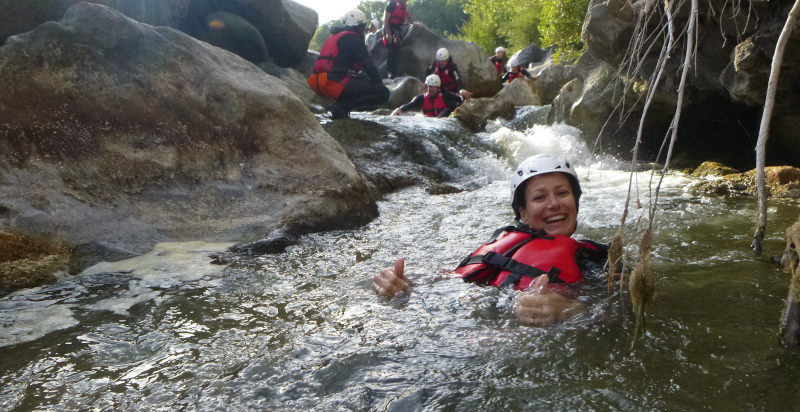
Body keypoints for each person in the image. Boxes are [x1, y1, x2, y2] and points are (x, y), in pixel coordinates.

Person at [372, 154, 609, 326]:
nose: (554, 204)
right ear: (523, 213)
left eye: (562, 193)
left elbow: (619, 314)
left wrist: (568, 310)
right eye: (539, 197)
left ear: (575, 203)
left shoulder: (598, 261)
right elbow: (448, 281)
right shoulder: (500, 250)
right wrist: (401, 285)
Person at [307, 9, 389, 119]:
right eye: (363, 25)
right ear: (358, 24)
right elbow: (368, 65)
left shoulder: (335, 36)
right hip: (332, 82)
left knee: (363, 78)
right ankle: (342, 106)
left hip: (316, 81)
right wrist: (379, 84)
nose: (364, 29)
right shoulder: (354, 38)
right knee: (383, 93)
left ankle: (340, 105)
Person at [391, 74, 463, 117]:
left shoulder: (445, 95)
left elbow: (460, 99)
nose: (431, 89)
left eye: (433, 87)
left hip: (442, 121)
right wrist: (400, 109)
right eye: (429, 86)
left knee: (449, 108)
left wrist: (462, 92)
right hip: (428, 121)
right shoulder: (421, 98)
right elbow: (409, 105)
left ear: (438, 88)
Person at [384, 0, 414, 78]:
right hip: (389, 27)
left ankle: (395, 71)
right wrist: (388, 34)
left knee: (398, 48)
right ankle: (389, 71)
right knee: (392, 49)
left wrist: (413, 23)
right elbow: (386, 19)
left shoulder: (403, 5)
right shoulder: (392, 3)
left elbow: (408, 15)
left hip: (397, 28)